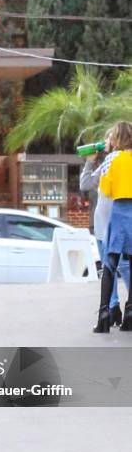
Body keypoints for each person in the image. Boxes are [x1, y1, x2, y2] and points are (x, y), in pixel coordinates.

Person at [80, 129, 130, 326]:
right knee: (122, 265)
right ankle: (114, 307)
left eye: (109, 137)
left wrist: (92, 161)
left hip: (110, 221)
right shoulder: (110, 161)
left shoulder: (112, 160)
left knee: (114, 266)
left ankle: (111, 310)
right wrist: (90, 161)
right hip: (112, 221)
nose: (105, 140)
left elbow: (89, 185)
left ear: (116, 140)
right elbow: (86, 184)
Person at [93, 121, 132, 333]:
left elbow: (105, 190)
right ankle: (130, 313)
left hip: (119, 214)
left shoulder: (111, 159)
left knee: (110, 265)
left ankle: (104, 314)